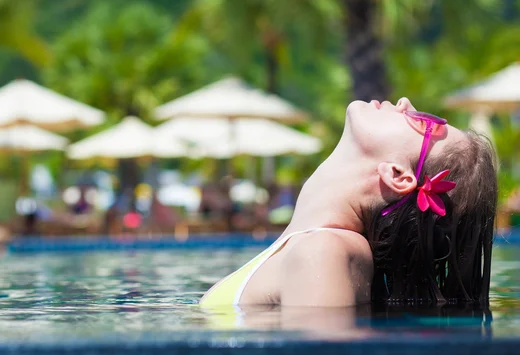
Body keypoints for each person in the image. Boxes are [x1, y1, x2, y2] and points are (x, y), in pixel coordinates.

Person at [200, 97, 497, 307]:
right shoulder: (317, 246)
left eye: (424, 122)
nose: (405, 102)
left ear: (399, 175)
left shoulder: (324, 250)